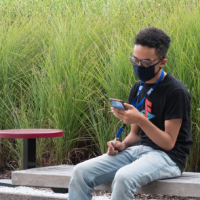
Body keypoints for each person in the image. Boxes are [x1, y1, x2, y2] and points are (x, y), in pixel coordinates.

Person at [68, 27, 193, 200]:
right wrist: (123, 145)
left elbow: (168, 143)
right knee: (80, 172)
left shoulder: (176, 91)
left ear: (162, 62)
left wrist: (141, 120)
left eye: (146, 63)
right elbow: (135, 134)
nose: (139, 66)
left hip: (168, 158)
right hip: (138, 151)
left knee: (124, 177)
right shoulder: (139, 87)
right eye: (135, 60)